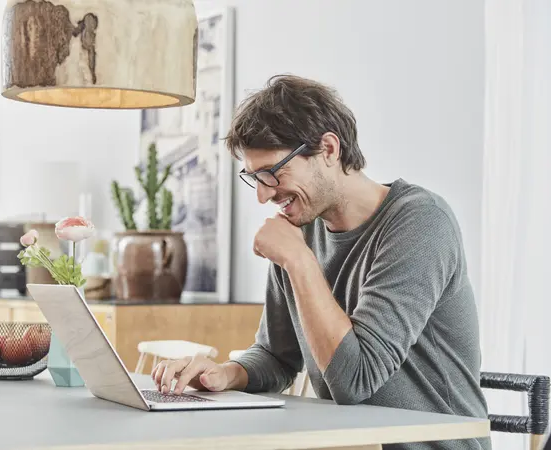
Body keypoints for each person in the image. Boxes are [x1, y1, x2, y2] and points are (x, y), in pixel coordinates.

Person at [152, 74, 491, 449]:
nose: (264, 195)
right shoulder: (301, 229)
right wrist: (226, 374)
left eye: (272, 173)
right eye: (254, 178)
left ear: (329, 149)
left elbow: (355, 380)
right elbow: (277, 356)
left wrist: (299, 261)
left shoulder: (421, 223)